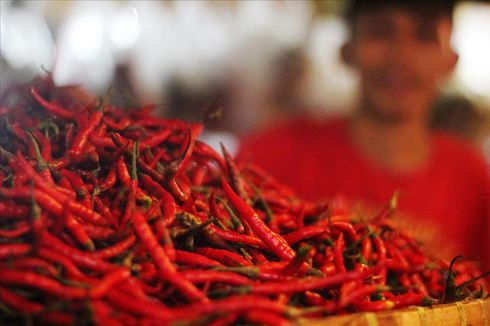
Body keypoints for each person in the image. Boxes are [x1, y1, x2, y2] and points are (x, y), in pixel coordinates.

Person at [237, 0, 490, 270]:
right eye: (381, 32)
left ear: (450, 60)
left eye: (424, 35)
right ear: (346, 51)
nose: (401, 55)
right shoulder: (271, 156)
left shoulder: (474, 180)